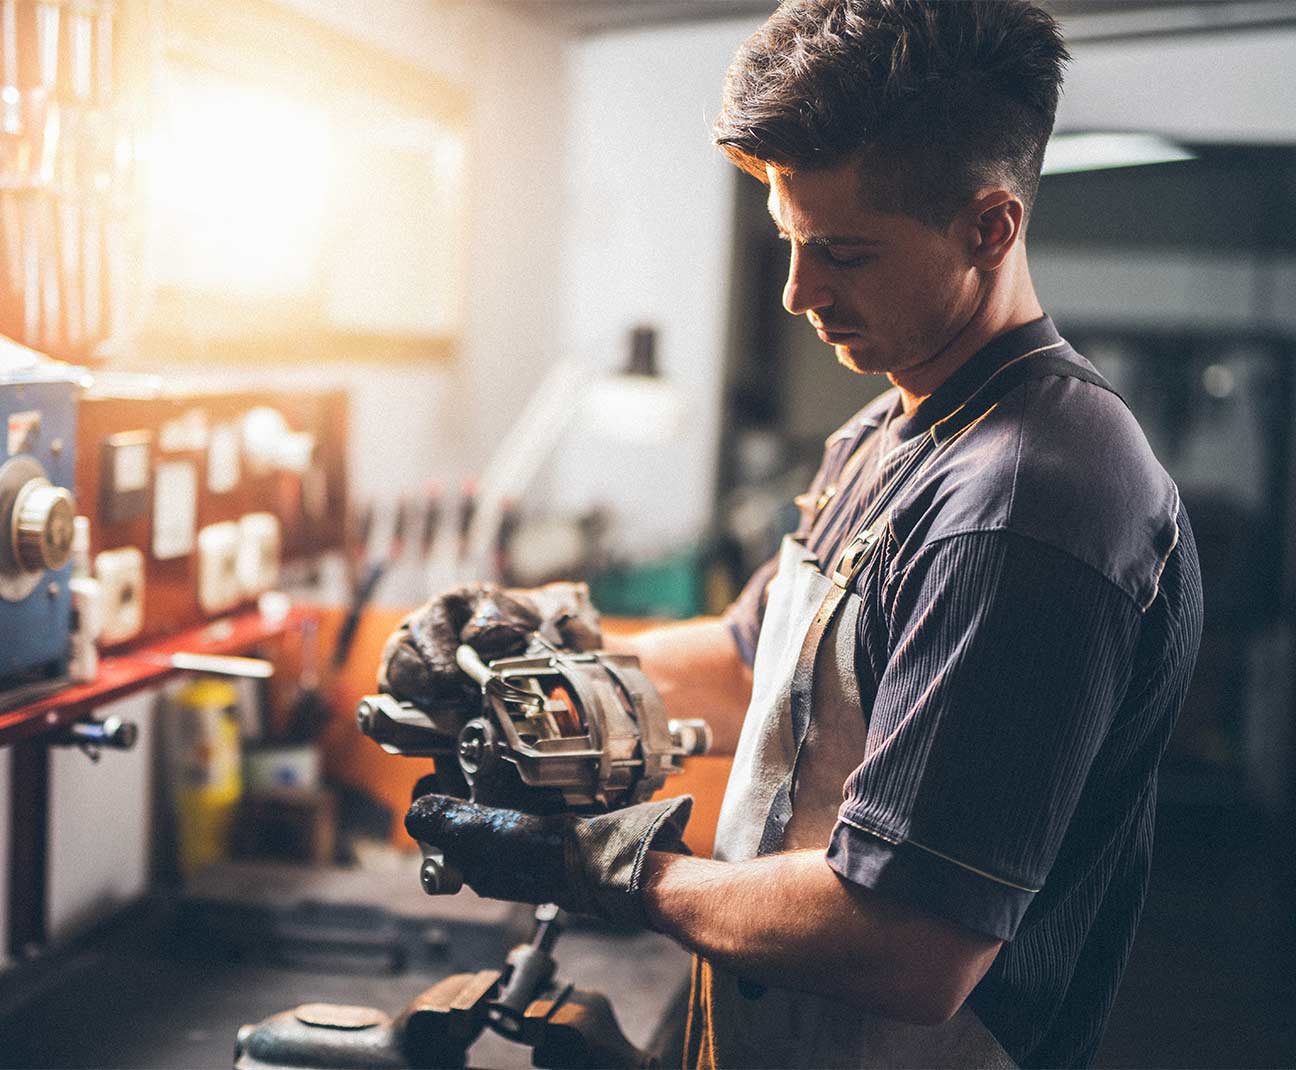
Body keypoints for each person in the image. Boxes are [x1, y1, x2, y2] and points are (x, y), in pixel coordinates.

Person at [383, 2, 1203, 1066]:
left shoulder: (1025, 506)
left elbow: (907, 942)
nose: (799, 291)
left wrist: (613, 864)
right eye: (788, 240)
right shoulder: (893, 425)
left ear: (988, 228)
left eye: (844, 254)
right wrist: (536, 655)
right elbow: (747, 665)